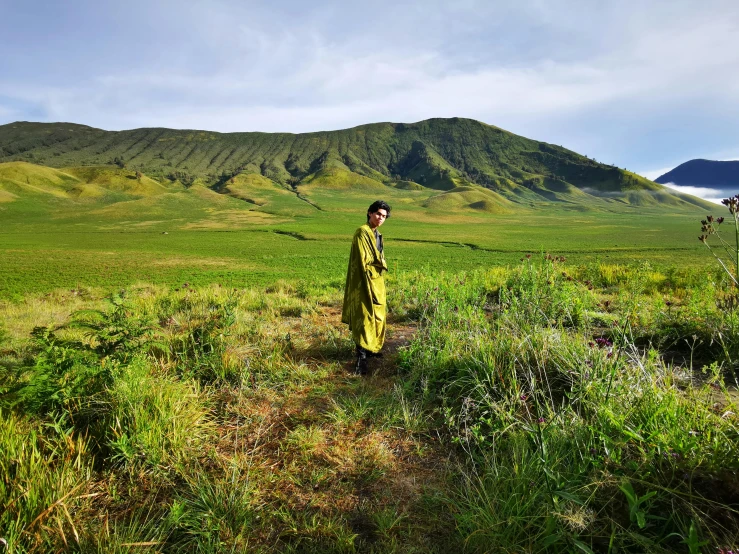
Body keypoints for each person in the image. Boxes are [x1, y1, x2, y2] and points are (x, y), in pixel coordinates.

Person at [341, 200, 391, 375]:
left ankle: (371, 349)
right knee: (364, 316)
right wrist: (381, 263)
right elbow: (364, 260)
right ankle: (361, 358)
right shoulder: (362, 233)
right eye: (378, 214)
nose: (380, 218)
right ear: (369, 213)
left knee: (377, 314)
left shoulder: (377, 234)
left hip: (376, 281)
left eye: (384, 216)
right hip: (363, 281)